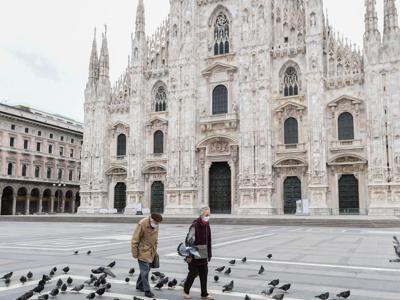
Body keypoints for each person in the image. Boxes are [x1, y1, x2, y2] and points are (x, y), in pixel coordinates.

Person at [183, 206, 213, 300]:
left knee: (204, 273)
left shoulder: (207, 225)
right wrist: (189, 255)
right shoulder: (195, 225)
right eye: (206, 214)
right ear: (201, 214)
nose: (208, 216)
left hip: (203, 252)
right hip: (194, 253)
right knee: (193, 273)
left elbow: (209, 240)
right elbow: (189, 241)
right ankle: (186, 290)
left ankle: (204, 293)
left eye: (209, 214)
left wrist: (209, 254)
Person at [131, 213, 163, 298]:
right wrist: (135, 253)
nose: (157, 225)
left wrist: (155, 248)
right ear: (151, 219)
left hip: (151, 251)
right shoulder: (142, 223)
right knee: (145, 271)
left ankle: (139, 285)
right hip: (143, 251)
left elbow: (156, 238)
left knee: (146, 270)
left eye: (158, 223)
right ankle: (147, 290)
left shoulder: (156, 224)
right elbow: (135, 239)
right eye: (156, 222)